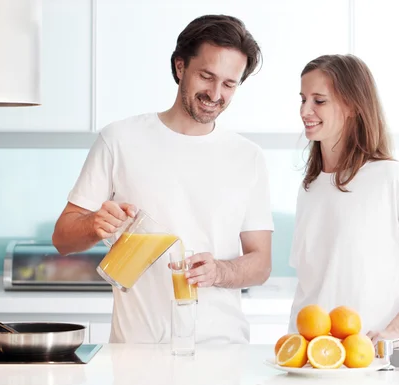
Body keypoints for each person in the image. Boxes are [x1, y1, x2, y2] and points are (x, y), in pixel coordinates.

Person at [52, 15, 274, 344]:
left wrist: (220, 272)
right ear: (180, 66)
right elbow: (62, 238)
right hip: (136, 353)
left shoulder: (248, 157)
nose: (215, 94)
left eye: (229, 84)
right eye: (206, 76)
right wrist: (93, 224)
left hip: (221, 352)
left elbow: (261, 263)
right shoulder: (120, 139)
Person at [288, 54, 399, 344]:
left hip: (372, 358)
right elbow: (312, 283)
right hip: (311, 356)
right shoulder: (309, 187)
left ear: (351, 106)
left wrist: (395, 331)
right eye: (303, 99)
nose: (305, 110)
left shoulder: (392, 178)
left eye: (319, 101)